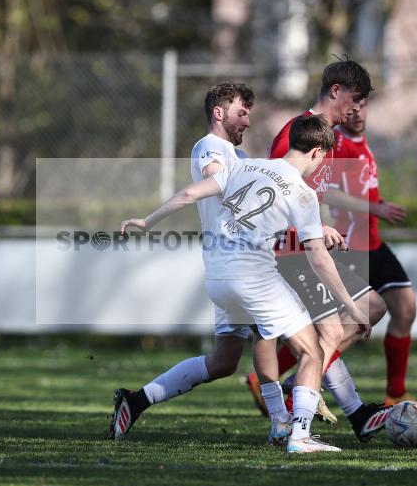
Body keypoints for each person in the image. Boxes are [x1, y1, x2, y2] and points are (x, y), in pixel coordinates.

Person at [119, 114, 364, 453]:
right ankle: (300, 436)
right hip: (253, 278)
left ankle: (136, 400)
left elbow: (190, 193)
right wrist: (351, 307)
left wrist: (147, 221)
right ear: (317, 152)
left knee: (227, 358)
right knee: (312, 350)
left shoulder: (244, 167)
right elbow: (319, 259)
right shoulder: (303, 193)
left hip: (218, 279)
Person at [245, 57, 393, 441]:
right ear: (336, 91)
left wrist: (326, 223)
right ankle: (337, 408)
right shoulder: (297, 133)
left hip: (309, 250)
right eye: (355, 99)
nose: (358, 109)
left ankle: (317, 392)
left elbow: (311, 194)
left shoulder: (329, 137)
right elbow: (270, 194)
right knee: (329, 334)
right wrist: (313, 229)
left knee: (371, 307)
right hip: (292, 256)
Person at [328, 101, 417, 413]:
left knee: (405, 308)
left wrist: (380, 204)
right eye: (351, 106)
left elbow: (363, 192)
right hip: (351, 244)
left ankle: (395, 396)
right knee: (338, 324)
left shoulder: (363, 144)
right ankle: (280, 381)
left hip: (372, 243)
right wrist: (377, 209)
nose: (358, 112)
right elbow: (329, 193)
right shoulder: (338, 144)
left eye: (362, 105)